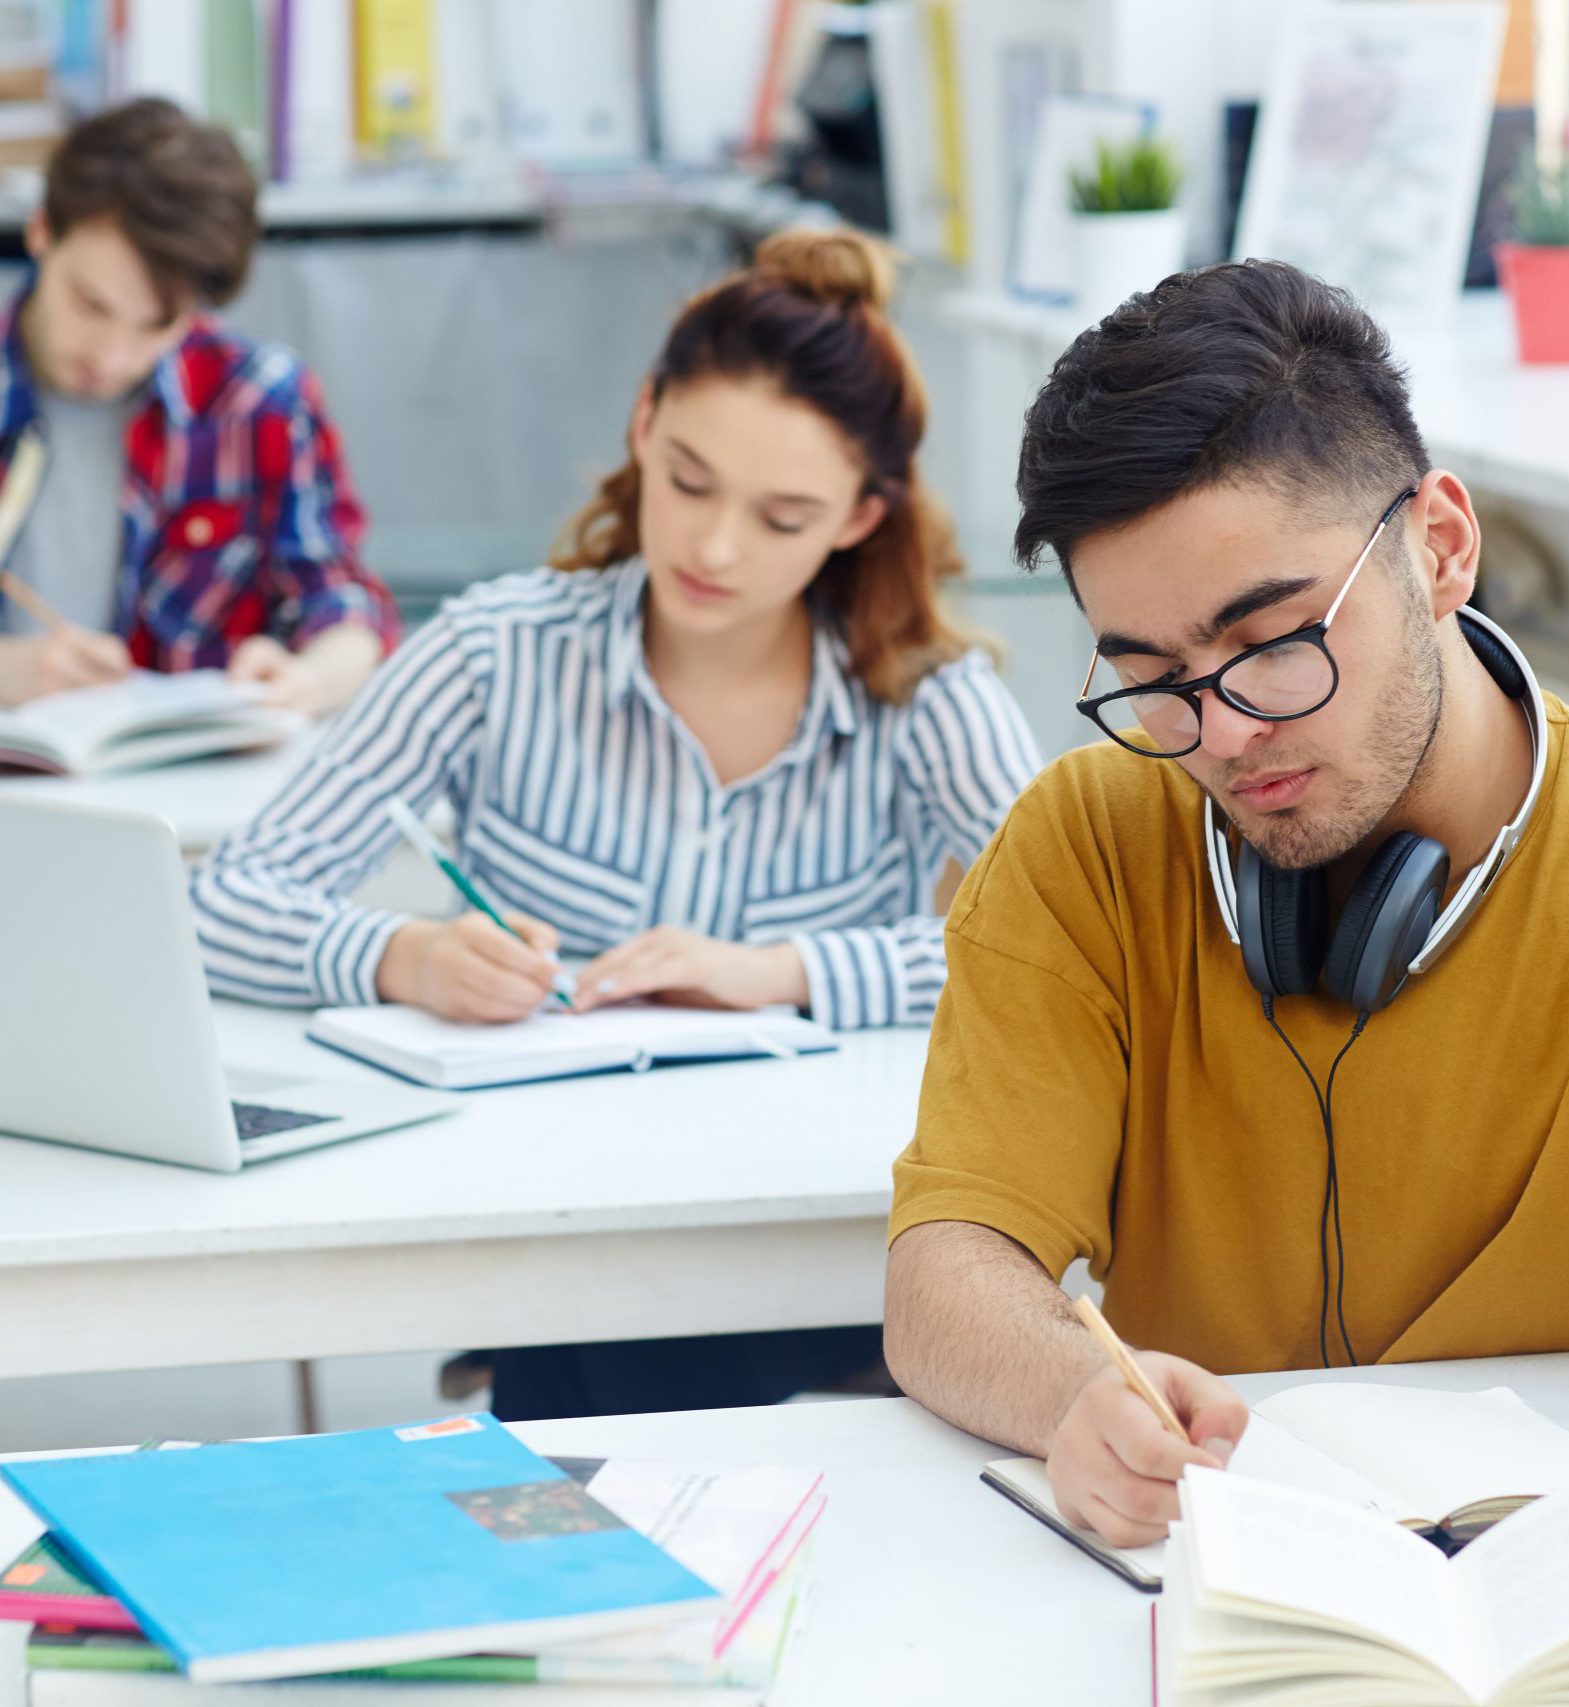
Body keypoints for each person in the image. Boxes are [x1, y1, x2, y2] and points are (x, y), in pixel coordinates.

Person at [883, 258, 1569, 1550]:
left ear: (1437, 546)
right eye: (1150, 673)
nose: (1218, 732)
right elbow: (944, 1272)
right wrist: (1076, 1392)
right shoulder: (1079, 845)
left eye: (1270, 640)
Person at [190, 226, 1040, 1417]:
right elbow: (220, 903)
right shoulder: (496, 652)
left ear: (859, 516)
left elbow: (1067, 947)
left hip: (806, 1230)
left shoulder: (924, 690)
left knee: (602, 1376)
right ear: (643, 424)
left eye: (784, 516)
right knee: (604, 1364)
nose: (714, 545)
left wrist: (782, 973)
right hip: (549, 1217)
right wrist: (404, 956)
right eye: (689, 481)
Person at [0, 98, 397, 713]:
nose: (110, 356)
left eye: (156, 326)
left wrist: (309, 679)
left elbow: (344, 601)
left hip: (189, 797)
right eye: (90, 304)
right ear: (41, 230)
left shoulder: (259, 400)